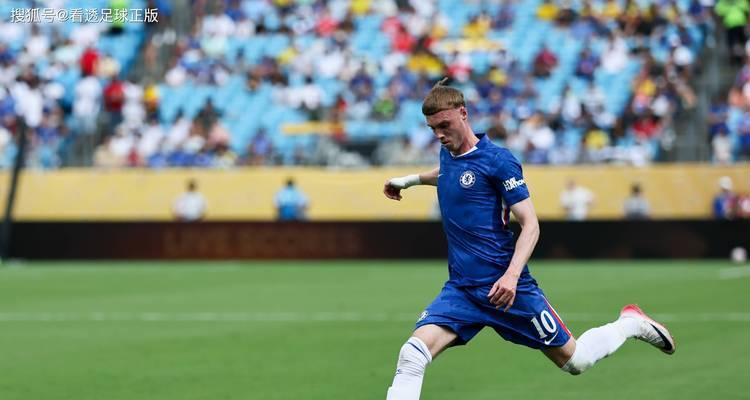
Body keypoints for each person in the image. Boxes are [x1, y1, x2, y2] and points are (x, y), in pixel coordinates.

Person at [382, 79, 675, 400]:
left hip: (507, 289)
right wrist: (408, 180)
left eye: (444, 125)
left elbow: (531, 224)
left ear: (463, 113)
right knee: (411, 356)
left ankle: (629, 323)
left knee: (576, 361)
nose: (439, 134)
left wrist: (510, 277)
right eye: (433, 128)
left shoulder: (499, 161)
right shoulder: (448, 152)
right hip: (462, 290)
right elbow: (445, 173)